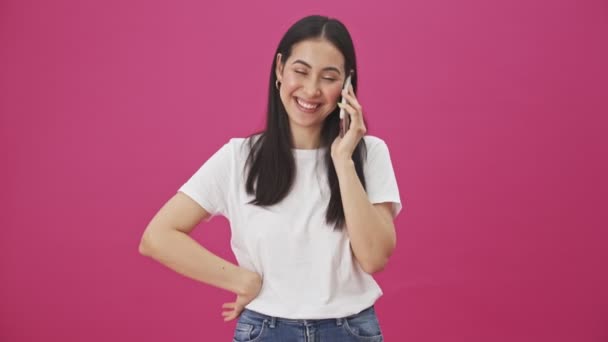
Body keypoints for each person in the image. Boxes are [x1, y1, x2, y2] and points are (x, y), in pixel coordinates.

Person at [139, 14, 402, 341]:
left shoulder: (369, 154)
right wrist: (241, 280)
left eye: (329, 77)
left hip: (350, 330)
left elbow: (375, 257)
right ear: (280, 70)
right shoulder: (240, 158)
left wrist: (342, 161)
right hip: (266, 330)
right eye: (301, 71)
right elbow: (157, 237)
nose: (311, 89)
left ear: (347, 85)